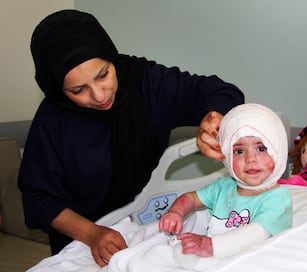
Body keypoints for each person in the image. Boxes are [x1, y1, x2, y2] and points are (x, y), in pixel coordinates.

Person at [17, 9, 244, 267]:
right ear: (58, 89)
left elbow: (221, 90)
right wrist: (91, 234)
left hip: (148, 224)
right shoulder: (52, 120)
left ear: (111, 56)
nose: (100, 96)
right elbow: (38, 200)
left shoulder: (145, 82)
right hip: (82, 242)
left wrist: (212, 120)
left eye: (103, 75)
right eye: (78, 90)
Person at [159, 103, 292, 263]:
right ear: (227, 156)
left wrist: (210, 245)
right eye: (239, 151)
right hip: (215, 257)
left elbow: (258, 233)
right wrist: (176, 212)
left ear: (279, 150)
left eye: (261, 149)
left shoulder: (278, 199)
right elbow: (191, 198)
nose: (250, 159)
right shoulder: (223, 187)